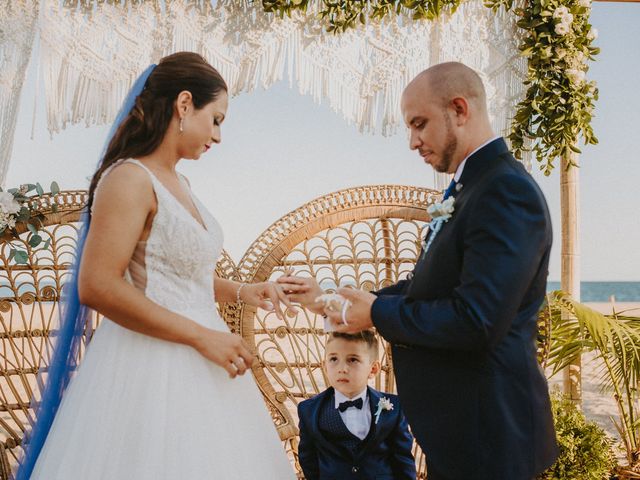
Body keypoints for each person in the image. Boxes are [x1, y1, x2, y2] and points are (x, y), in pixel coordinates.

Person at [279, 62, 558, 480]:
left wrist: (374, 314)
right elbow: (427, 288)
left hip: (489, 435)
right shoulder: (470, 187)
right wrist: (336, 300)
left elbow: (476, 320)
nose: (412, 141)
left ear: (460, 110)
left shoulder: (505, 191)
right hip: (462, 433)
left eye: (419, 123)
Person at [22, 52, 295, 479]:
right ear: (184, 104)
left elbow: (175, 270)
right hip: (148, 363)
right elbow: (97, 285)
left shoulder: (180, 182)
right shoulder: (129, 178)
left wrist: (243, 291)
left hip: (206, 358)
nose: (219, 136)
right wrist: (200, 337)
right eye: (217, 119)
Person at [297, 330, 415, 480]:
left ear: (373, 369)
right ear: (325, 366)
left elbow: (402, 459)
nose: (342, 368)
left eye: (352, 360)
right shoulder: (309, 410)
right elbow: (308, 459)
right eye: (333, 359)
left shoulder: (394, 407)